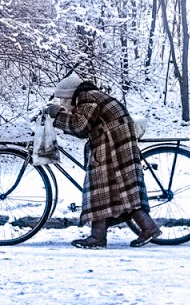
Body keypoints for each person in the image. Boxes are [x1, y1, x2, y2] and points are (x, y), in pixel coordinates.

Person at [46, 73, 162, 249]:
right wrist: (61, 116)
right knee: (113, 188)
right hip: (113, 140)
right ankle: (137, 229)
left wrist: (58, 115)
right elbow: (85, 126)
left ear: (71, 95)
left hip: (113, 143)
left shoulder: (87, 98)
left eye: (63, 99)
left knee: (105, 186)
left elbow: (80, 127)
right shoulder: (88, 97)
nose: (62, 104)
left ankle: (102, 237)